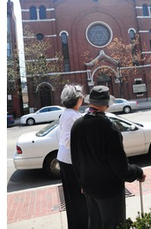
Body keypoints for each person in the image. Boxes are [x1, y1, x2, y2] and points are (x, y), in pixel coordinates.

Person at [70, 85, 146, 229]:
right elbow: (121, 168)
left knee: (95, 224)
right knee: (114, 225)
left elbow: (76, 159)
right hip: (109, 190)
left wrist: (82, 183)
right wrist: (137, 171)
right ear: (106, 104)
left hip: (89, 187)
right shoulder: (109, 128)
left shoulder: (77, 125)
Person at [57, 84, 89, 229]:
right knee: (78, 200)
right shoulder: (71, 116)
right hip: (71, 162)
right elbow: (68, 140)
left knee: (74, 200)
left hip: (67, 159)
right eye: (81, 97)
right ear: (77, 100)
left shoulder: (68, 114)